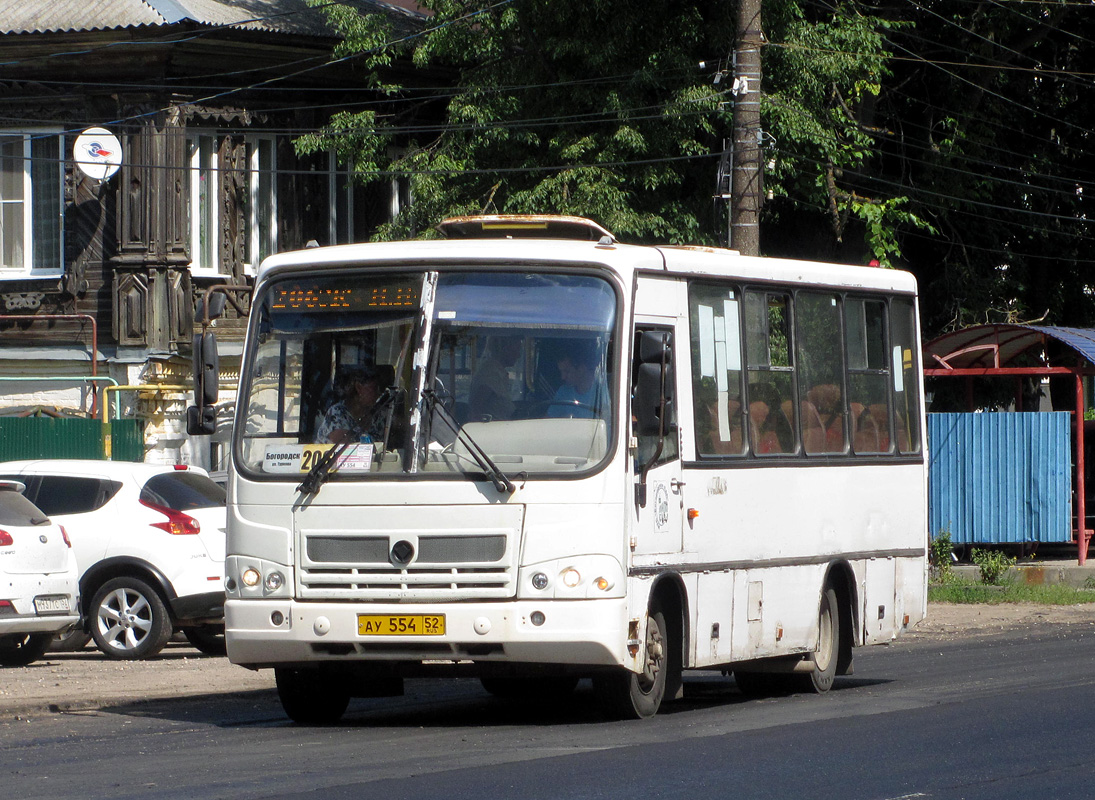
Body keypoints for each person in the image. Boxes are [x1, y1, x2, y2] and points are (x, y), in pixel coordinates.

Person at [315, 366, 386, 444]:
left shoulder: (377, 415)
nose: (378, 393)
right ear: (358, 387)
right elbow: (342, 449)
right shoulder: (338, 413)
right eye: (374, 388)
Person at [468, 336, 521, 421]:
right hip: (493, 430)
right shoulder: (490, 373)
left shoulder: (498, 371)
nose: (519, 355)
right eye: (516, 349)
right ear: (504, 348)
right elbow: (475, 408)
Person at [547, 342, 607, 419]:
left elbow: (607, 422)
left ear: (582, 368)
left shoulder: (602, 392)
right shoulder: (563, 392)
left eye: (567, 371)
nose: (563, 377)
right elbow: (547, 421)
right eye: (561, 372)